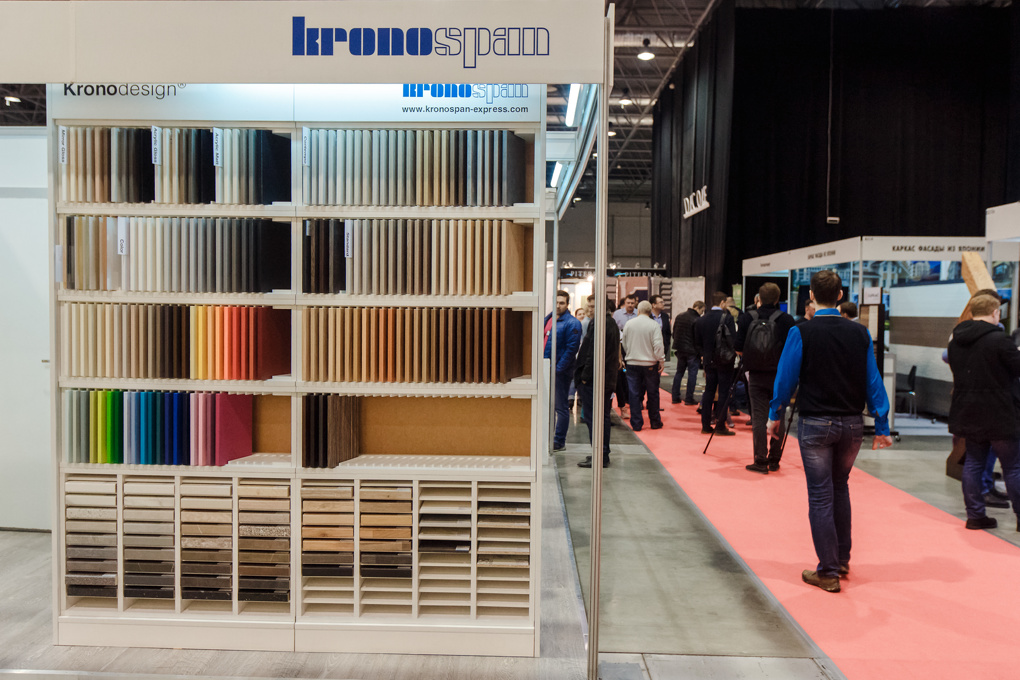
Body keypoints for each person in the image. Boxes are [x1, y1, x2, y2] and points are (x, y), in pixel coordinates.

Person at [768, 270, 892, 593]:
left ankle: (828, 571)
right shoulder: (860, 333)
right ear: (840, 295)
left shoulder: (801, 332)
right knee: (840, 488)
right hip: (852, 424)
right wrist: (882, 424)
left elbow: (785, 379)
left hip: (815, 424)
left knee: (821, 495)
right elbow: (873, 382)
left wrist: (774, 414)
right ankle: (842, 559)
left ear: (811, 295)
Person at [946, 293, 1020, 531]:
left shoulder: (956, 341)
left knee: (973, 463)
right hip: (1000, 412)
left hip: (968, 410)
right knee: (1012, 467)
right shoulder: (999, 340)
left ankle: (975, 516)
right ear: (995, 312)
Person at [736, 283, 795, 474]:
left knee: (759, 418)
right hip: (780, 375)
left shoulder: (747, 318)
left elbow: (738, 348)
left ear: (759, 299)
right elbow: (791, 350)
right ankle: (774, 459)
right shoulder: (786, 319)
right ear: (778, 299)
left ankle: (760, 460)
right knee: (779, 415)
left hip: (756, 374)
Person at [575, 298, 622, 468]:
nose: (590, 309)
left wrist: (585, 376)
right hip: (603, 378)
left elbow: (592, 353)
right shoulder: (610, 323)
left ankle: (600, 454)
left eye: (594, 306)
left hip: (596, 380)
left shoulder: (601, 323)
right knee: (600, 418)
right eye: (589, 306)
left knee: (595, 419)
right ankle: (600, 453)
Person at [544, 290, 582, 452]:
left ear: (567, 304)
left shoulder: (572, 323)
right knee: (547, 406)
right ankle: (547, 438)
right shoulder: (549, 318)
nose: (558, 305)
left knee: (560, 407)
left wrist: (558, 369)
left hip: (560, 372)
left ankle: (559, 441)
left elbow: (571, 349)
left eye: (562, 303)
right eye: (556, 302)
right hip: (546, 368)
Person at [694, 292, 737, 436]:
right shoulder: (727, 318)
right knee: (724, 392)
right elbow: (733, 339)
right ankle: (720, 425)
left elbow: (697, 342)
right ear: (723, 302)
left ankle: (705, 425)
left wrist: (704, 354)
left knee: (709, 391)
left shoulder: (701, 320)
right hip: (725, 361)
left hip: (708, 361)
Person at [622, 300, 665, 431]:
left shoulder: (629, 324)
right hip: (650, 363)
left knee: (634, 393)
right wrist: (661, 360)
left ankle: (636, 423)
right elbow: (658, 345)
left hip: (632, 363)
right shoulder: (654, 325)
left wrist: (630, 354)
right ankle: (655, 421)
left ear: (638, 310)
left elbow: (624, 343)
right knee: (653, 393)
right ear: (650, 311)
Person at [671, 301, 705, 405]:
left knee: (679, 373)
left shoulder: (680, 316)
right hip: (692, 351)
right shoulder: (697, 320)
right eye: (702, 310)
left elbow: (674, 332)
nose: (702, 313)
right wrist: (701, 352)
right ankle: (689, 398)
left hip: (680, 349)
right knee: (692, 374)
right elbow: (698, 338)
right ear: (697, 308)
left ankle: (675, 397)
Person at [612, 294, 639, 419]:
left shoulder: (638, 314)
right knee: (621, 375)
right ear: (625, 303)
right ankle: (623, 403)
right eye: (628, 303)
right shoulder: (617, 314)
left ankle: (631, 399)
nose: (630, 305)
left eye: (632, 303)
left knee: (631, 374)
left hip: (634, 347)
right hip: (620, 348)